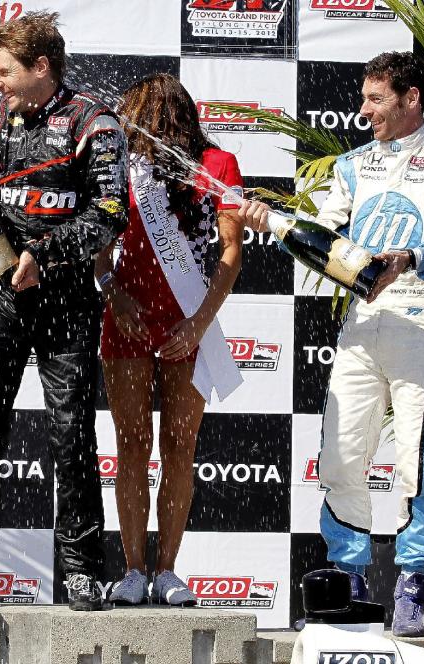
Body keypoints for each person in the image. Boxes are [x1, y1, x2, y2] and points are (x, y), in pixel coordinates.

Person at [239, 51, 424, 636]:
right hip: (362, 319)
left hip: (423, 316)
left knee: (416, 459)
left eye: (376, 99)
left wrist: (414, 256)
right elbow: (325, 240)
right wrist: (273, 225)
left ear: (410, 99)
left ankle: (413, 582)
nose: (364, 110)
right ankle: (348, 581)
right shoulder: (353, 166)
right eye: (363, 97)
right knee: (341, 453)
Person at [0, 11, 128, 611]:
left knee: (71, 435)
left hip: (65, 295)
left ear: (42, 67)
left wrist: (45, 251)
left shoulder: (95, 122)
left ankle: (84, 572)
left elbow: (110, 214)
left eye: (5, 72)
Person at [95, 73, 244, 607]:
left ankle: (167, 570)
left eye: (138, 112)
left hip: (188, 322)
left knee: (180, 448)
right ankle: (133, 570)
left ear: (165, 116)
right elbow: (98, 237)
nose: (130, 122)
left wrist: (201, 322)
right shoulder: (117, 163)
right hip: (129, 319)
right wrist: (113, 293)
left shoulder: (216, 164)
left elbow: (232, 251)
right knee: (131, 447)